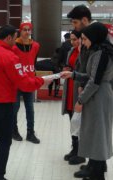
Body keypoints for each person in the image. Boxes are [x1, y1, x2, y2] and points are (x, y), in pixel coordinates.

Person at [0, 24, 52, 180]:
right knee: (4, 140)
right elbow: (24, 83)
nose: (16, 40)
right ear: (9, 37)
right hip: (3, 104)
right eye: (14, 37)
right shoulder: (9, 57)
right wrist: (42, 80)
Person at [61, 22, 113, 180]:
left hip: (98, 96)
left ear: (94, 37)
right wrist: (73, 75)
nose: (83, 42)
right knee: (95, 132)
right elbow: (93, 77)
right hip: (99, 95)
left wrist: (80, 100)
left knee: (97, 133)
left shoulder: (101, 54)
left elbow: (94, 81)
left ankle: (97, 173)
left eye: (84, 39)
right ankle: (95, 168)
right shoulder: (101, 51)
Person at [64, 4, 93, 169]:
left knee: (89, 125)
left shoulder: (97, 41)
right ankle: (81, 153)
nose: (73, 28)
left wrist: (82, 84)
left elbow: (94, 73)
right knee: (77, 121)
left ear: (84, 20)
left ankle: (92, 161)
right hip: (79, 88)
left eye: (75, 23)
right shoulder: (83, 43)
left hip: (90, 91)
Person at [11, 22, 41, 143]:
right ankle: (14, 131)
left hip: (29, 81)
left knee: (30, 109)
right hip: (16, 82)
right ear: (20, 31)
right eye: (25, 30)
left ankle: (30, 133)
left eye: (29, 30)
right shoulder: (13, 46)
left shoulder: (35, 46)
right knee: (15, 108)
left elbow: (33, 61)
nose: (27, 32)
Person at [61, 30, 81, 162]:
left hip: (78, 89)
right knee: (72, 120)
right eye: (71, 39)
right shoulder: (71, 51)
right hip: (69, 88)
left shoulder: (85, 52)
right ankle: (74, 148)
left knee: (79, 121)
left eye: (75, 39)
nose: (72, 42)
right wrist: (66, 68)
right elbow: (68, 64)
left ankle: (80, 151)